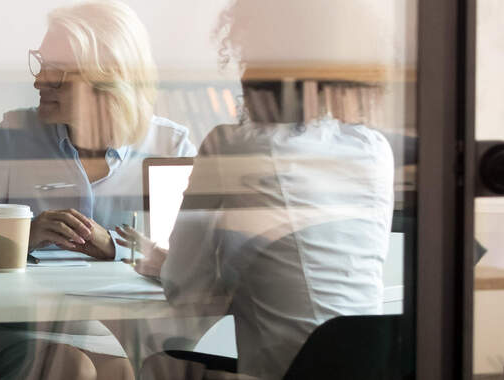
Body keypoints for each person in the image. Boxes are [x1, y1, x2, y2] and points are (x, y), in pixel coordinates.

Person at [0, 2, 195, 379]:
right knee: (72, 367)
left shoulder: (170, 144)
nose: (38, 81)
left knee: (118, 370)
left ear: (107, 79)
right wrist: (21, 236)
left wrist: (115, 246)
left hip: (118, 329)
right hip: (18, 324)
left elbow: (187, 262)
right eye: (41, 64)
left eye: (57, 73)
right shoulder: (17, 134)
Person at [123, 0, 399, 378]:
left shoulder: (233, 146)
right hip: (365, 368)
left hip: (287, 373)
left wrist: (167, 266)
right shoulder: (374, 150)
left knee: (157, 364)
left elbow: (189, 292)